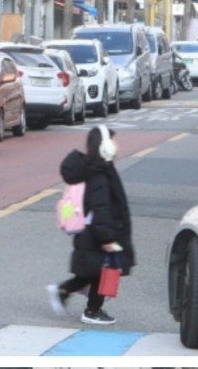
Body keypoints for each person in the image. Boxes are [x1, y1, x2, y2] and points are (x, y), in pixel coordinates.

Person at [48, 123, 135, 328]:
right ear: (104, 146)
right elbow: (101, 208)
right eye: (114, 140)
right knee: (101, 272)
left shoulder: (100, 170)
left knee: (91, 272)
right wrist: (107, 238)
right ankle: (92, 310)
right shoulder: (100, 174)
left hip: (93, 232)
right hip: (98, 234)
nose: (117, 144)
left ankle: (63, 292)